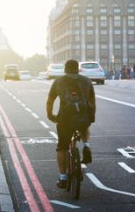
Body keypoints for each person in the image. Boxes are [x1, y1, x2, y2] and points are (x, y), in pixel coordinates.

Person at [46, 59, 96, 189]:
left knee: (62, 147)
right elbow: (92, 102)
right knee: (84, 123)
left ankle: (62, 178)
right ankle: (86, 145)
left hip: (65, 119)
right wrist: (91, 117)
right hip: (83, 117)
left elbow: (50, 101)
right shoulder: (86, 81)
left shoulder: (59, 81)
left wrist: (50, 115)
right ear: (78, 69)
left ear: (65, 70)